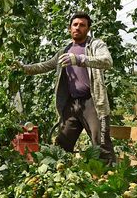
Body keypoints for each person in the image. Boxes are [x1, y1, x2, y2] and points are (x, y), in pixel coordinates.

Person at [18, 12, 116, 165]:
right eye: (75, 25)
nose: (78, 28)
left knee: (101, 143)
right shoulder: (65, 50)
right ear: (70, 28)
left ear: (88, 29)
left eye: (82, 25)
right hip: (72, 103)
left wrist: (79, 59)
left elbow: (107, 61)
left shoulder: (95, 45)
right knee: (62, 145)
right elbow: (45, 65)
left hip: (92, 102)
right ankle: (60, 177)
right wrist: (23, 68)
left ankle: (110, 178)